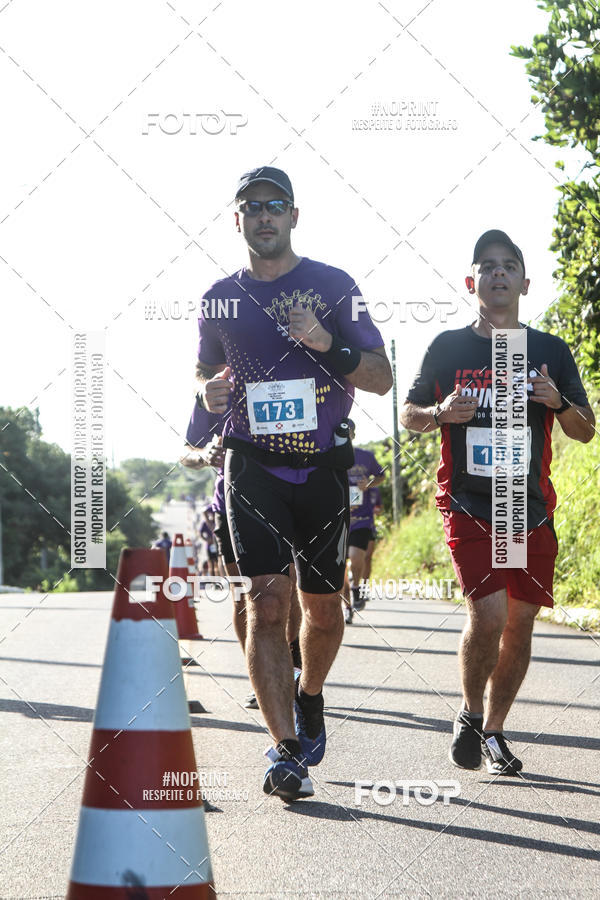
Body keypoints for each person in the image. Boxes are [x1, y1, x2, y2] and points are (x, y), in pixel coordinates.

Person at [196, 166, 392, 800]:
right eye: (251, 207)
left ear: (294, 215)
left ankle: (310, 697)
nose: (264, 216)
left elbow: (381, 377)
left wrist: (327, 343)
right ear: (237, 220)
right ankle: (283, 751)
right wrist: (207, 394)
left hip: (324, 470)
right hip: (250, 463)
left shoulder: (335, 286)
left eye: (275, 205)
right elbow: (204, 379)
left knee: (323, 609)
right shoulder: (218, 299)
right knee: (264, 601)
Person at [400, 229, 595, 775]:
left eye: (509, 265)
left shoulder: (550, 350)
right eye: (487, 266)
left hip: (526, 504)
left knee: (521, 623)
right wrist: (440, 414)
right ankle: (468, 711)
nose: (498, 273)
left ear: (525, 282)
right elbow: (409, 415)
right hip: (469, 502)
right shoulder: (448, 347)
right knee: (488, 616)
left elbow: (585, 430)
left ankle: (494, 730)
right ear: (472, 281)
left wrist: (558, 403)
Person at [180, 396, 303, 710]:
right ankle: (261, 675)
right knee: (243, 595)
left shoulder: (289, 376)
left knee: (287, 592)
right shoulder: (215, 391)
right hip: (232, 503)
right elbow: (186, 453)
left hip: (288, 497)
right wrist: (205, 455)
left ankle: (294, 669)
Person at [342, 420, 385, 622]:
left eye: (348, 433)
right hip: (338, 519)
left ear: (353, 435)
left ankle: (357, 587)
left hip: (362, 519)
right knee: (339, 567)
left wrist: (368, 483)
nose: (344, 436)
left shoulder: (365, 457)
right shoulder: (326, 456)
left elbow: (381, 475)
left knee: (357, 557)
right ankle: (347, 606)